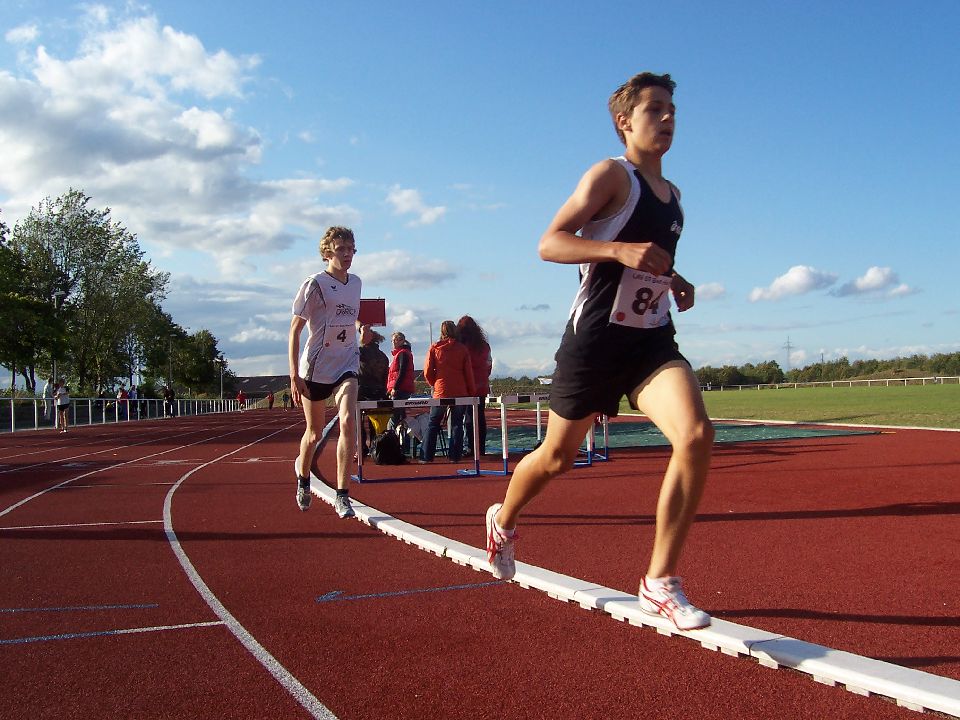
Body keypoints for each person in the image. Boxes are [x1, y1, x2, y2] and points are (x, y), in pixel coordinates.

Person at [484, 72, 714, 632]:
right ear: (624, 122)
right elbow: (550, 243)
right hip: (594, 342)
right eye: (654, 108)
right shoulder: (611, 175)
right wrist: (617, 249)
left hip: (649, 341)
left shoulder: (675, 196)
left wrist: (675, 279)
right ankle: (503, 519)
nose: (667, 117)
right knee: (557, 458)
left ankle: (659, 581)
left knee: (695, 435)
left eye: (672, 109)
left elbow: (648, 260)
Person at [289, 225, 362, 519]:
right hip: (316, 367)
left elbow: (349, 317)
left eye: (351, 249)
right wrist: (294, 375)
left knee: (348, 420)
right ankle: (303, 479)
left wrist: (359, 329)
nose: (347, 255)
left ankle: (342, 495)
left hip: (347, 362)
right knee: (314, 434)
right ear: (327, 252)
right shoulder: (315, 284)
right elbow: (295, 330)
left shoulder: (356, 283)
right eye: (341, 249)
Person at [421, 320, 475, 463]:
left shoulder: (435, 348)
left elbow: (427, 371)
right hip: (460, 391)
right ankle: (455, 456)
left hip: (441, 390)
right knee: (457, 423)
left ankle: (426, 456)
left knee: (433, 423)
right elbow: (468, 373)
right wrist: (471, 390)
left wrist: (434, 383)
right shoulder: (462, 349)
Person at [457, 315, 493, 456]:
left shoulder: (461, 346)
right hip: (482, 385)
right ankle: (480, 448)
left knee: (467, 417)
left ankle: (470, 447)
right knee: (480, 417)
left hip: (465, 385)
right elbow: (489, 365)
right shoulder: (484, 346)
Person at [357, 324, 389, 455]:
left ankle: (361, 447)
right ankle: (375, 446)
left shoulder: (361, 352)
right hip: (379, 390)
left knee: (358, 420)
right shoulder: (383, 356)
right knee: (375, 421)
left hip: (363, 390)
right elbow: (385, 376)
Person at [386, 331, 416, 434]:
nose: (394, 342)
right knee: (400, 416)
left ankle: (391, 437)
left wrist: (395, 387)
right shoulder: (402, 353)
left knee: (394, 417)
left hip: (400, 389)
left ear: (402, 341)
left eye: (396, 340)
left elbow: (402, 372)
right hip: (402, 388)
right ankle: (402, 439)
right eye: (393, 340)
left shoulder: (402, 353)